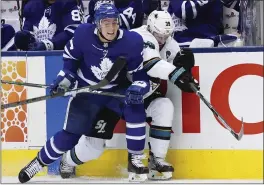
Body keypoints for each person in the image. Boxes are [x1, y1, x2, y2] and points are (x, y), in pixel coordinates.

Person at [18, 3, 152, 183]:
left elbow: (141, 77)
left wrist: (139, 88)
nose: (111, 28)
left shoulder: (132, 41)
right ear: (97, 23)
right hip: (87, 91)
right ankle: (38, 162)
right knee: (69, 137)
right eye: (106, 23)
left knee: (136, 109)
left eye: (114, 23)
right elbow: (70, 63)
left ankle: (135, 159)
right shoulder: (82, 34)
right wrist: (64, 80)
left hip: (115, 92)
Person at [59, 10, 199, 181]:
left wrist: (188, 78)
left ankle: (156, 160)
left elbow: (176, 69)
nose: (162, 40)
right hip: (114, 97)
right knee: (93, 148)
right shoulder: (141, 36)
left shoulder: (170, 43)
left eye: (166, 36)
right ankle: (67, 160)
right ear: (150, 28)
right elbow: (152, 64)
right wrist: (176, 74)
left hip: (139, 97)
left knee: (164, 107)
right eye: (159, 35)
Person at [14, 0, 84, 51]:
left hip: (62, 57)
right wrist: (24, 39)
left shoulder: (69, 3)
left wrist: (49, 44)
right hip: (37, 59)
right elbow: (28, 31)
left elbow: (74, 31)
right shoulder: (31, 6)